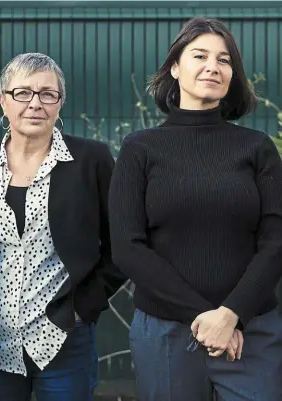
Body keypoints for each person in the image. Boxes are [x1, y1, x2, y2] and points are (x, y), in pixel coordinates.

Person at [109, 17, 282, 401]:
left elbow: (275, 243)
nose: (213, 67)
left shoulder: (257, 148)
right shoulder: (140, 149)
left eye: (224, 60)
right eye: (200, 55)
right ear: (175, 66)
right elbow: (127, 247)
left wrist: (232, 313)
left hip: (250, 332)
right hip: (167, 334)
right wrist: (206, 318)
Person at [0, 52, 126, 401]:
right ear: (2, 101)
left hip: (65, 342)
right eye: (22, 93)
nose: (35, 103)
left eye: (47, 94)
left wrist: (82, 308)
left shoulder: (92, 161)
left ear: (60, 102)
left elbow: (121, 246)